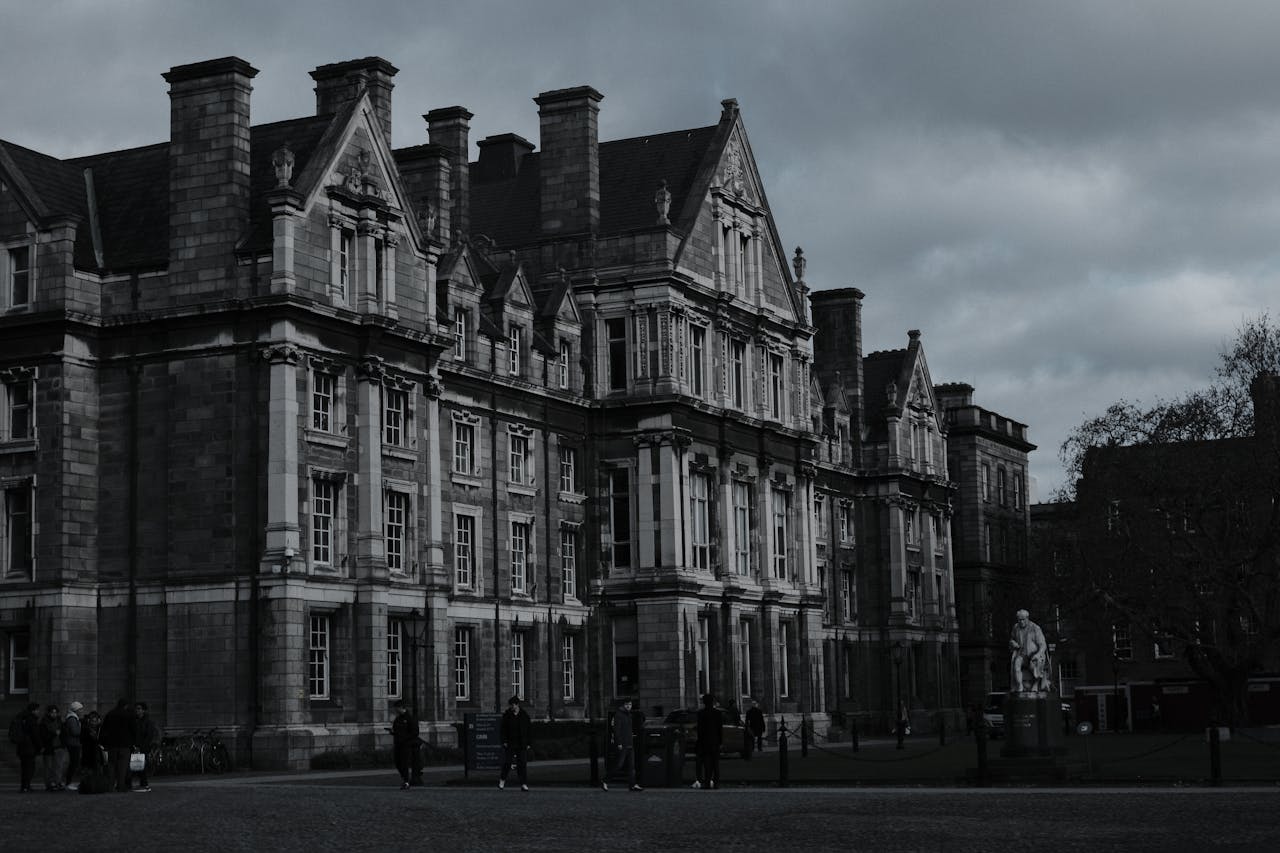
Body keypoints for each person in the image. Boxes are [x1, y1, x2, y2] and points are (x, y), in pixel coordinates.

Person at [603, 698, 641, 791]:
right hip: (623, 744)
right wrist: (619, 743)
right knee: (619, 765)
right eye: (627, 704)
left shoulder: (628, 715)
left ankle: (632, 784)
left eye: (630, 705)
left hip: (629, 743)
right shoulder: (619, 715)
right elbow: (617, 731)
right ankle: (605, 781)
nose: (629, 706)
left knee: (631, 766)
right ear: (623, 705)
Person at [1009, 609, 1050, 693]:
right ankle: (1019, 686)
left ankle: (1036, 684)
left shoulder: (1035, 628)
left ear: (1027, 618)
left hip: (1033, 654)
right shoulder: (1016, 627)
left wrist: (1038, 654)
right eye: (1019, 619)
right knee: (1016, 664)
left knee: (1035, 665)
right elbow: (1012, 639)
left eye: (1023, 619)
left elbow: (1043, 644)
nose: (1021, 621)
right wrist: (1013, 643)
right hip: (1021, 654)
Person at [99, 698, 134, 792]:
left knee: (111, 765)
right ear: (126, 706)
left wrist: (103, 742)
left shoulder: (110, 714)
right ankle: (120, 785)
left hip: (112, 744)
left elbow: (104, 729)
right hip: (125, 744)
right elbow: (133, 729)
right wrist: (134, 742)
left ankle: (110, 786)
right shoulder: (128, 715)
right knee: (122, 766)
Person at [498, 695, 531, 791]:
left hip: (521, 743)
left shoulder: (524, 715)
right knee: (507, 763)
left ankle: (523, 783)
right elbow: (503, 730)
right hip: (510, 743)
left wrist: (528, 742)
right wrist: (504, 741)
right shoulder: (507, 715)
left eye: (513, 705)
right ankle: (502, 780)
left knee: (522, 764)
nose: (511, 707)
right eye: (511, 705)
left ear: (517, 705)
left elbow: (529, 730)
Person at [9, 701, 40, 792]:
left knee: (24, 767)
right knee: (29, 768)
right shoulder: (31, 719)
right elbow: (35, 734)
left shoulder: (21, 717)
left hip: (22, 746)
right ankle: (26, 786)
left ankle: (24, 786)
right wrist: (40, 745)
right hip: (29, 747)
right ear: (33, 710)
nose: (38, 712)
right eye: (37, 710)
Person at [130, 701, 159, 792]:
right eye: (136, 709)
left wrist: (142, 746)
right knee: (135, 765)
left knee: (141, 765)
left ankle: (144, 783)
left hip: (143, 747)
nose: (137, 711)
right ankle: (140, 783)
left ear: (143, 710)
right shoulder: (134, 721)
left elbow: (148, 735)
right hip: (135, 746)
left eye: (139, 709)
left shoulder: (148, 722)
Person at [695, 693, 722, 790]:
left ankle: (707, 782)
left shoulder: (701, 713)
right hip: (715, 741)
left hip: (705, 741)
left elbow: (700, 729)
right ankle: (716, 783)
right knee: (715, 763)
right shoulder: (718, 713)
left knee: (707, 763)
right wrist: (720, 741)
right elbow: (720, 729)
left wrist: (699, 741)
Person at [391, 700, 419, 790]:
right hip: (398, 743)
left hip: (406, 745)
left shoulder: (410, 718)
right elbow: (396, 730)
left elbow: (415, 732)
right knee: (398, 763)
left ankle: (406, 781)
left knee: (404, 763)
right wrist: (393, 733)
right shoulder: (398, 719)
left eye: (397, 708)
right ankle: (405, 779)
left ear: (402, 708)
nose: (395, 710)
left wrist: (404, 738)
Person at [38, 704, 64, 791]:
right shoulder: (44, 722)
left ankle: (58, 782)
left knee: (58, 766)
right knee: (48, 767)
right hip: (49, 747)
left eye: (55, 712)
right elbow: (43, 736)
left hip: (58, 746)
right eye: (52, 712)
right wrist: (54, 734)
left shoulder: (59, 720)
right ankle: (49, 784)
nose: (54, 714)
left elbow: (63, 731)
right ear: (48, 713)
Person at [63, 701, 84, 791]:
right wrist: (82, 730)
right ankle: (68, 782)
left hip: (75, 743)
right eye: (80, 709)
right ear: (76, 710)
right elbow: (75, 732)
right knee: (73, 763)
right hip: (73, 744)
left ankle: (69, 781)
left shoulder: (74, 718)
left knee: (74, 763)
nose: (82, 711)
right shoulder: (72, 719)